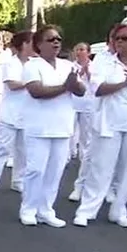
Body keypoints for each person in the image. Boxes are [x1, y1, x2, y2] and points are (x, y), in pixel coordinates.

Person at [74, 24, 127, 228]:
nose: (119, 42)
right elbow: (97, 88)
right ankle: (87, 210)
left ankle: (119, 210)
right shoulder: (104, 61)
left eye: (125, 38)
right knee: (101, 168)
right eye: (117, 38)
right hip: (110, 122)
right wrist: (124, 82)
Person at [19, 26, 85, 227]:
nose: (56, 42)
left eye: (58, 39)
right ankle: (28, 209)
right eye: (50, 39)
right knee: (36, 170)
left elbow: (81, 90)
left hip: (62, 126)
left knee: (55, 172)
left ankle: (46, 210)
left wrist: (74, 84)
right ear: (39, 44)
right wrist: (65, 87)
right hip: (38, 127)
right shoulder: (32, 65)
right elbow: (37, 91)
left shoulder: (67, 66)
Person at [0, 31, 33, 196]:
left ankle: (18, 181)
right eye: (32, 42)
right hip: (9, 114)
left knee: (23, 151)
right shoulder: (11, 63)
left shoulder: (34, 64)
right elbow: (12, 84)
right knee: (1, 149)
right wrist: (32, 83)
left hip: (27, 114)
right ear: (24, 44)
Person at [68, 42, 96, 202]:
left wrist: (88, 72)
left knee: (86, 135)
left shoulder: (94, 66)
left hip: (88, 105)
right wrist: (79, 72)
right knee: (70, 132)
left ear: (88, 52)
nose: (79, 52)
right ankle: (67, 155)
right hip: (73, 103)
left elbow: (96, 84)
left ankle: (84, 158)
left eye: (82, 49)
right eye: (77, 49)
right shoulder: (71, 66)